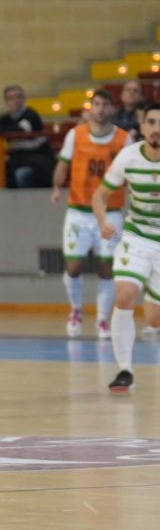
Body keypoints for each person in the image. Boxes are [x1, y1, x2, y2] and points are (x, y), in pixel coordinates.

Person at [92, 103, 160, 392]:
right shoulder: (129, 157)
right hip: (137, 235)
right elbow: (100, 195)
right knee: (124, 295)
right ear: (142, 127)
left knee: (154, 318)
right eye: (152, 122)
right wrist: (103, 221)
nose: (157, 128)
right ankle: (125, 370)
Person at [52, 89, 129, 339]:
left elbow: (131, 172)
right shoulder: (76, 135)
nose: (100, 109)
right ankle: (76, 310)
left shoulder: (124, 139)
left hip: (110, 212)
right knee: (74, 266)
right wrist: (56, 187)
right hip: (79, 211)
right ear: (90, 107)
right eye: (96, 104)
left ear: (112, 109)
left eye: (105, 104)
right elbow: (63, 163)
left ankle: (103, 320)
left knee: (107, 267)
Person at [0, 84, 53, 189]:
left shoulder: (31, 115)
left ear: (23, 99)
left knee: (22, 174)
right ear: (6, 102)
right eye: (11, 98)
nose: (15, 101)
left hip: (38, 162)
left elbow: (19, 130)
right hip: (17, 162)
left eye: (18, 97)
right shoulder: (4, 119)